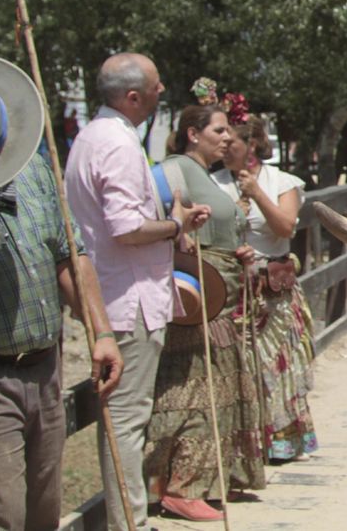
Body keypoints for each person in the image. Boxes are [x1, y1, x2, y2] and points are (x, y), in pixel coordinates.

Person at [0, 55, 124, 531]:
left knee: (42, 512)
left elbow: (69, 256)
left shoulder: (34, 170)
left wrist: (101, 331)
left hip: (46, 368)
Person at [66, 53, 211, 531]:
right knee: (126, 423)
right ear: (133, 96)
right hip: (125, 304)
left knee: (125, 421)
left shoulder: (95, 137)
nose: (161, 89)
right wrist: (176, 224)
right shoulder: (118, 146)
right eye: (155, 85)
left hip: (118, 295)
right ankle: (129, 523)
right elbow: (126, 228)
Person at [145, 105, 265, 520]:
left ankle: (207, 480)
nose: (227, 138)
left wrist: (237, 252)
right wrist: (182, 238)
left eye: (229, 131)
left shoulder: (213, 177)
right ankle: (178, 485)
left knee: (213, 389)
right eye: (219, 130)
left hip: (221, 298)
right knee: (190, 391)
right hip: (198, 300)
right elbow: (161, 221)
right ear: (193, 134)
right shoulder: (173, 171)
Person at [232, 120, 318, 461]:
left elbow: (285, 226)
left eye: (234, 139)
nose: (226, 146)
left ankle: (281, 440)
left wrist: (256, 194)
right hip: (233, 290)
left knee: (277, 365)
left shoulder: (282, 182)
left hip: (273, 292)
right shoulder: (214, 182)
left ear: (252, 144)